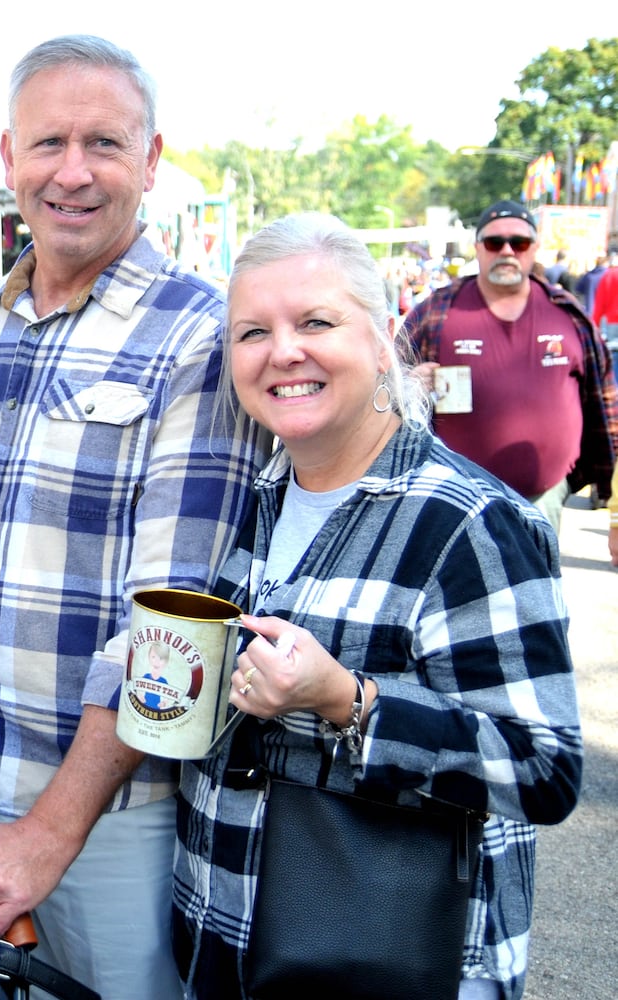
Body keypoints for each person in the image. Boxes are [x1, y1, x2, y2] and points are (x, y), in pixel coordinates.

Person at [0, 36, 268, 1000]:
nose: (73, 172)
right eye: (49, 142)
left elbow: (179, 624)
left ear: (151, 163)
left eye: (105, 144)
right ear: (7, 159)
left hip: (107, 820)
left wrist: (51, 830)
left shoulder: (200, 335)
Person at [172, 213, 582, 1000]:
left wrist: (348, 701)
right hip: (224, 947)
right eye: (252, 332)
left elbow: (545, 767)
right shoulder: (262, 499)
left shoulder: (469, 523)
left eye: (316, 321)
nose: (283, 352)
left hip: (385, 964)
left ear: (383, 329)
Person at [403, 200, 618, 530]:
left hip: (544, 498)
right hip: (454, 497)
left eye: (518, 243)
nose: (507, 251)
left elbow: (603, 397)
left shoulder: (567, 314)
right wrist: (409, 385)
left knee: (537, 582)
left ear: (534, 249)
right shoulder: (436, 311)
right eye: (494, 242)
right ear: (478, 248)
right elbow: (384, 381)